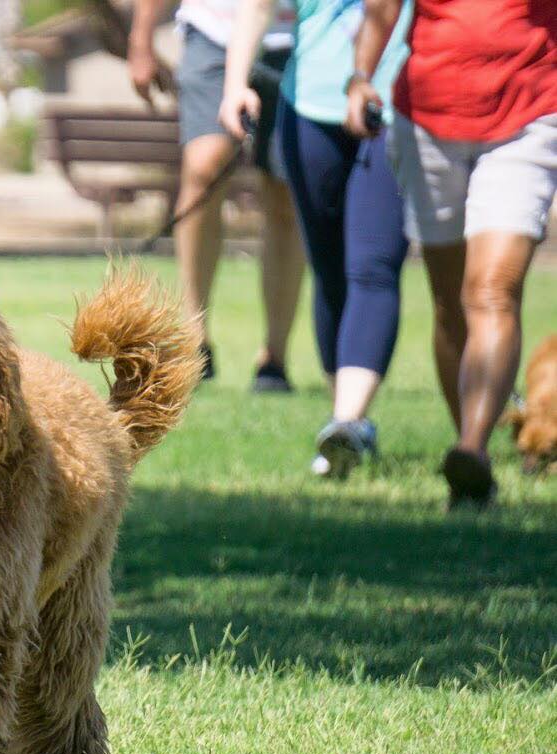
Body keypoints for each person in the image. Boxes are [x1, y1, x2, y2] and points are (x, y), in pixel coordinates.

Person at [347, 0, 557, 508]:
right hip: (428, 118)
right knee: (449, 303)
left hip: (528, 111)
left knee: (491, 291)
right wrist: (360, 78)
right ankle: (470, 449)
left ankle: (472, 448)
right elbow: (381, 7)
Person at [220, 0, 412, 478]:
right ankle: (344, 422)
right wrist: (235, 85)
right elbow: (259, 7)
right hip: (308, 106)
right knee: (329, 272)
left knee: (372, 264)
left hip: (393, 105)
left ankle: (347, 418)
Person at [129, 0, 306, 391]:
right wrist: (141, 41)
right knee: (203, 167)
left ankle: (274, 357)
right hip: (213, 30)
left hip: (296, 37)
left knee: (284, 194)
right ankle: (195, 338)